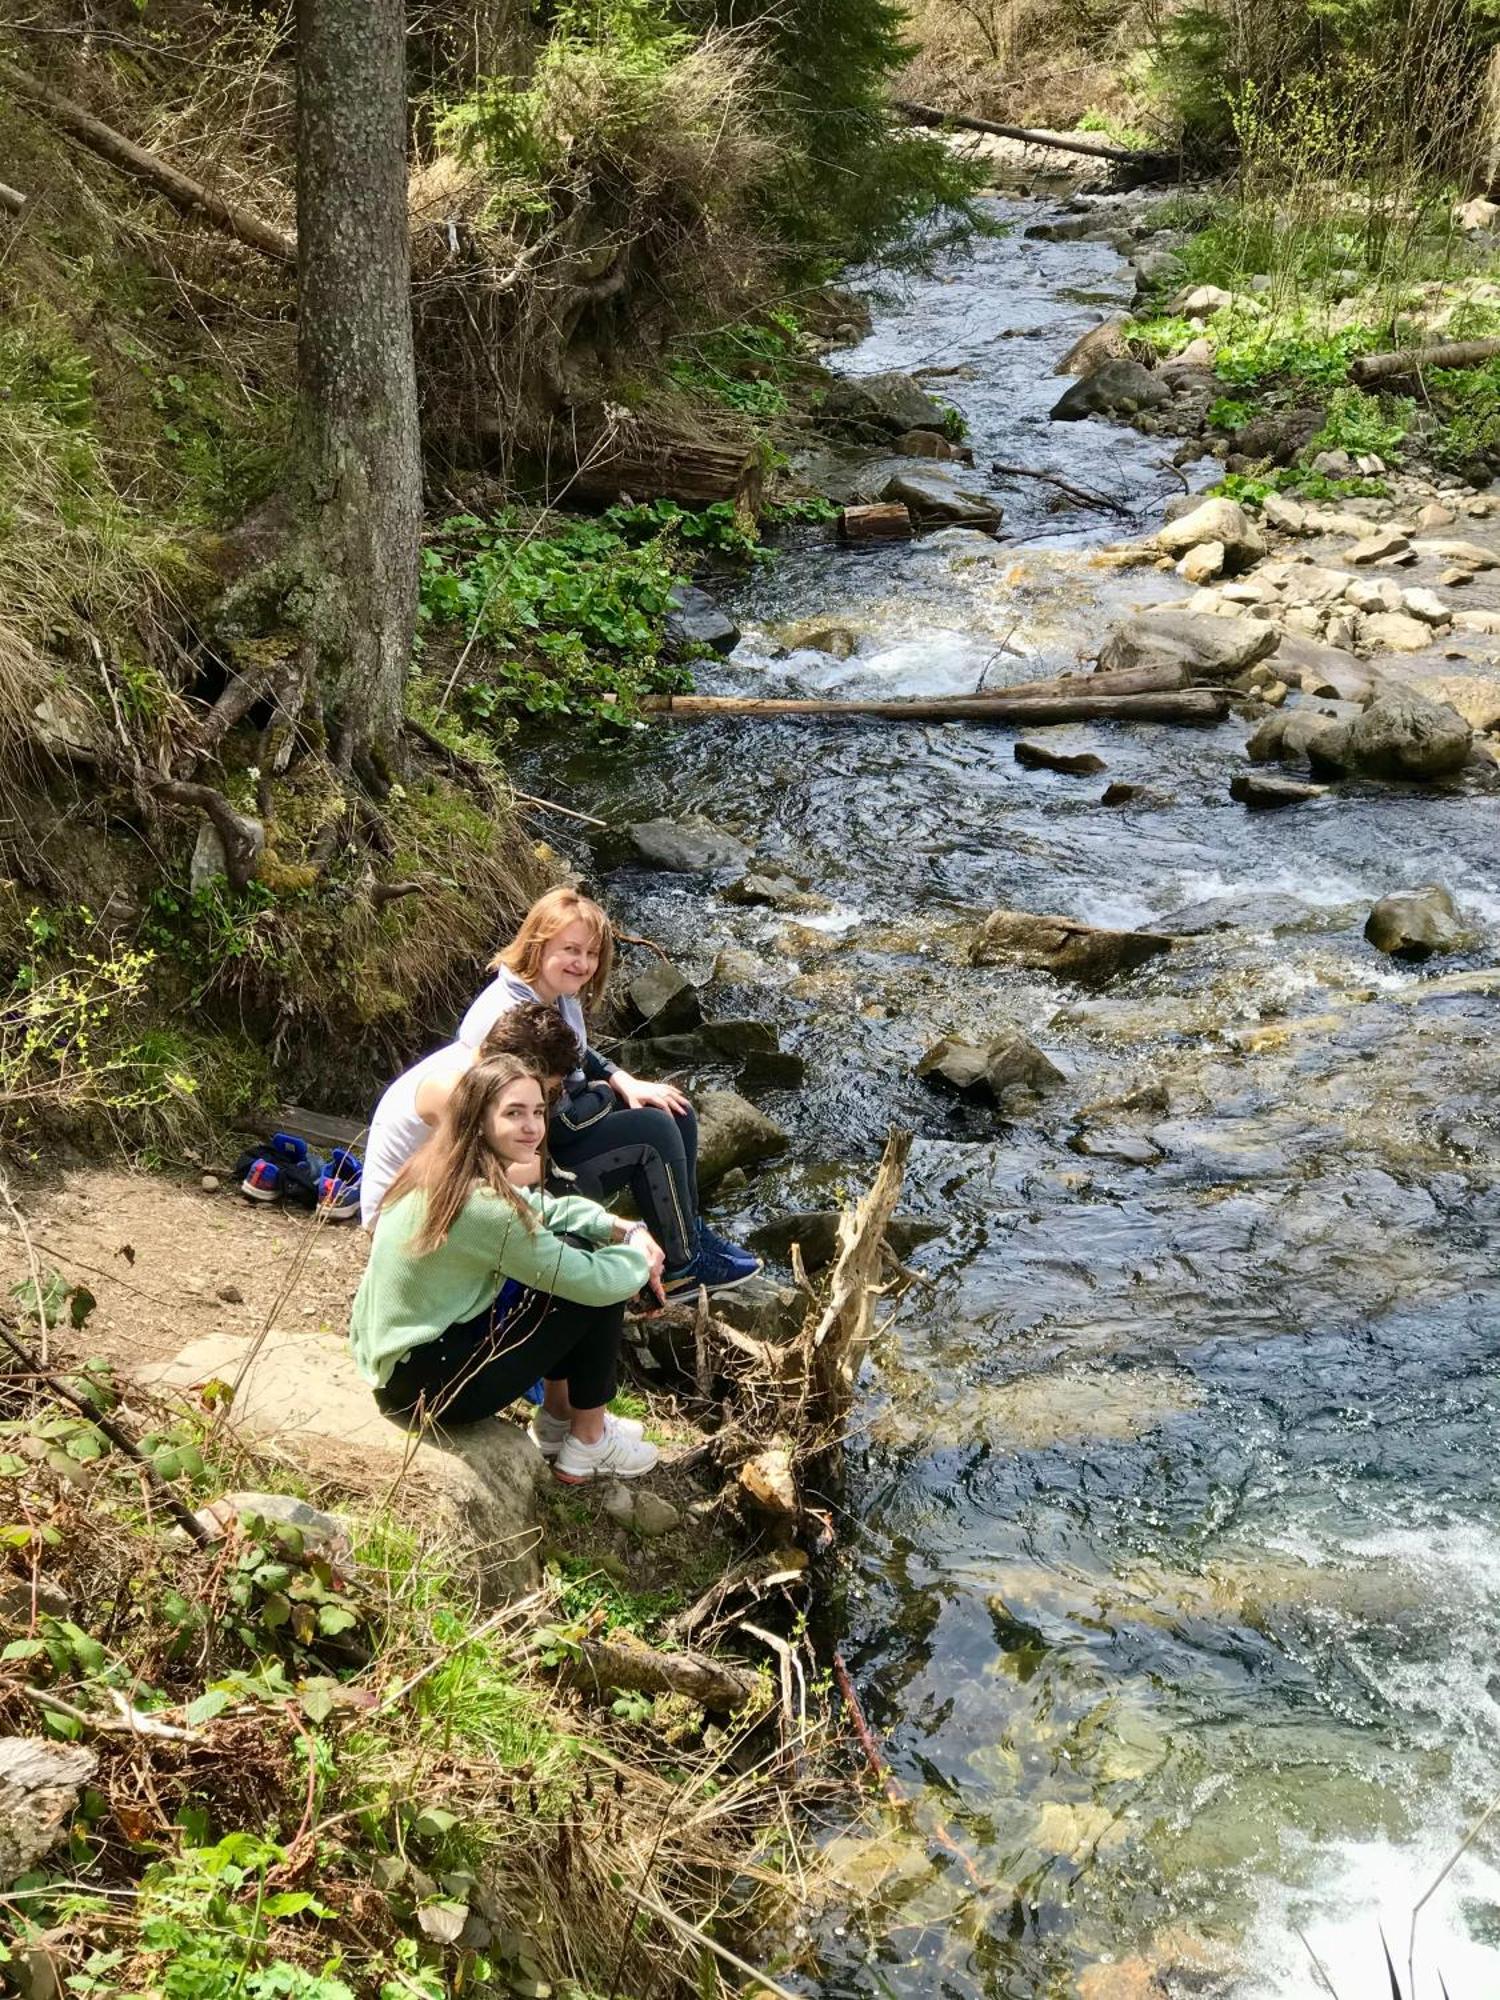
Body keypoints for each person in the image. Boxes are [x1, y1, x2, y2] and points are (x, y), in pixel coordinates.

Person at [351, 1053, 663, 1483]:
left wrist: (620, 1227)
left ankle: (558, 1421)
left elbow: (537, 1208)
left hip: (401, 1368)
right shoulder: (481, 1208)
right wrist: (638, 1258)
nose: (533, 1126)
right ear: (478, 1120)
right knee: (594, 1278)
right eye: (514, 1113)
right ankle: (589, 1443)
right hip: (433, 1393)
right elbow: (590, 1282)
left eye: (538, 1111)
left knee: (578, 1249)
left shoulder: (441, 1168)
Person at [458, 888, 760, 1297]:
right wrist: (603, 1095)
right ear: (536, 944)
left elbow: (577, 1052)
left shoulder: (553, 995)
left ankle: (688, 1234)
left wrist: (621, 1079)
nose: (582, 963)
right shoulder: (508, 1016)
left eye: (591, 953)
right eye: (570, 949)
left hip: (562, 1128)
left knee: (675, 1110)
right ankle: (681, 1268)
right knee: (654, 1132)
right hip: (529, 1165)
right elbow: (555, 1122)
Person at [359, 1003, 581, 1228]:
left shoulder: (472, 1066)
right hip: (396, 1220)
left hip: (429, 1199)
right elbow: (483, 1177)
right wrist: (539, 1164)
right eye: (544, 1089)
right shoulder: (450, 1087)